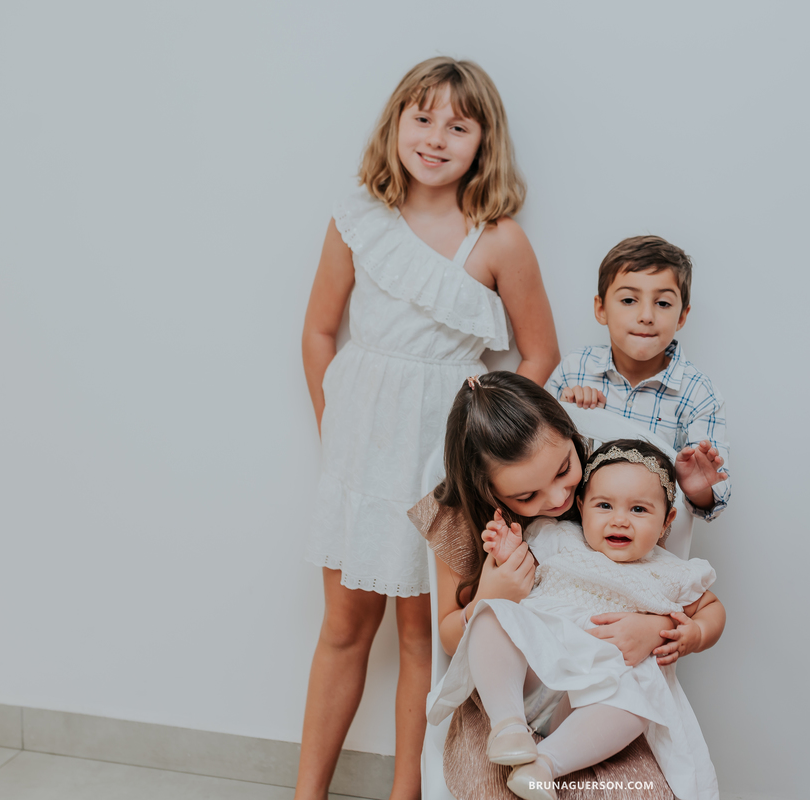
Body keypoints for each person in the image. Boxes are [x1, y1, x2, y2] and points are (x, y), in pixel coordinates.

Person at [297, 57, 560, 800]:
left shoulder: (498, 240)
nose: (436, 136)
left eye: (458, 124)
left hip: (441, 465)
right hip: (360, 457)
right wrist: (336, 430)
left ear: (484, 141)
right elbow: (319, 332)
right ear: (395, 124)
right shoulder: (357, 219)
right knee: (344, 629)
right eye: (422, 117)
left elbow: (539, 353)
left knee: (424, 638)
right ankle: (306, 792)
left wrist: (484, 450)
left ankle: (406, 793)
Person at [410, 372, 714, 799]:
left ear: (571, 435)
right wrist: (489, 597)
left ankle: (547, 763)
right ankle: (510, 732)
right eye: (527, 497)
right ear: (489, 491)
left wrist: (656, 626)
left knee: (635, 732)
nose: (555, 500)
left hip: (598, 689)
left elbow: (651, 570)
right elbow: (447, 638)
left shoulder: (603, 474)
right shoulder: (460, 516)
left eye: (564, 471)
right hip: (510, 691)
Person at [545, 236, 731, 521]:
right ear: (601, 308)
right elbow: (533, 456)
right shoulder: (574, 369)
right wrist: (564, 415)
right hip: (570, 530)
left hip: (647, 548)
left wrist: (698, 488)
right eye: (629, 300)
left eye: (663, 303)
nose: (646, 315)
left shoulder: (699, 395)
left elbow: (713, 500)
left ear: (682, 316)